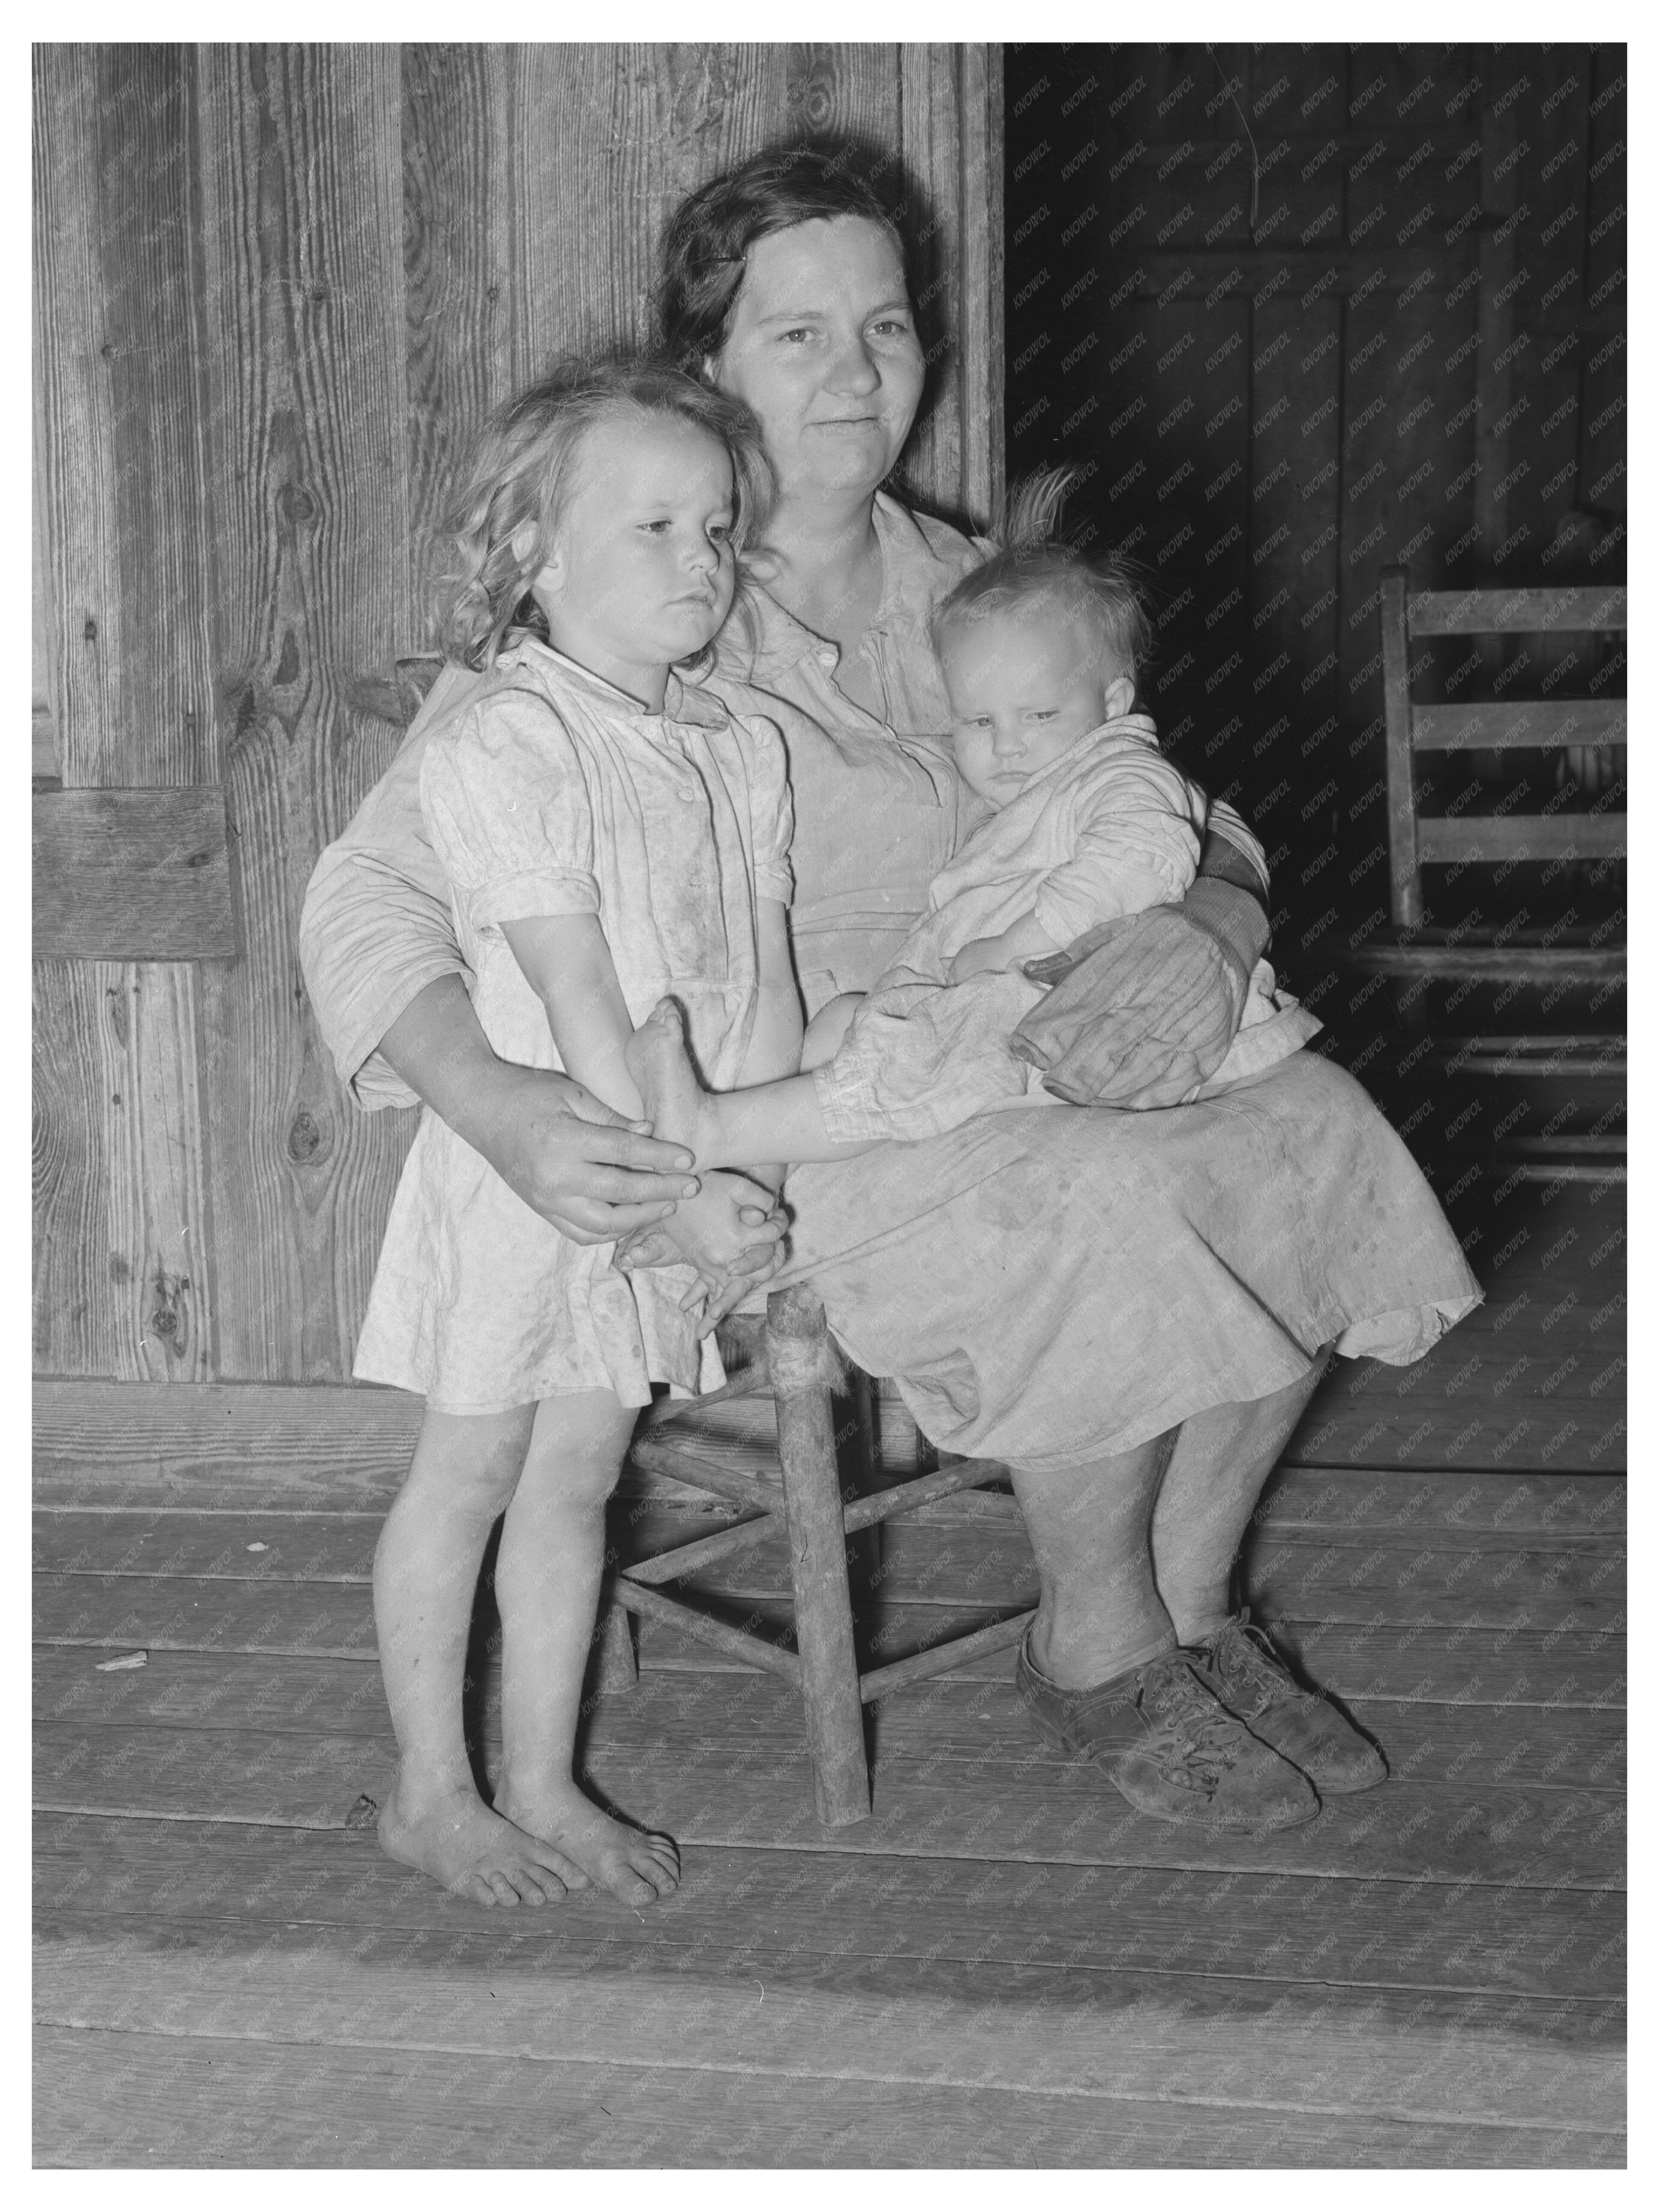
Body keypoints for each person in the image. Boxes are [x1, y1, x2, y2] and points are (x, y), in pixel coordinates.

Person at [301, 147, 1481, 1848]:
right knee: (1094, 1191)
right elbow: (367, 893)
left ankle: (1191, 1601)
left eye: (886, 326)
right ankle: (1096, 1644)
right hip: (793, 1100)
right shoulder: (636, 602)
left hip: (1005, 1030)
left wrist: (1216, 916)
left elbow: (1160, 788)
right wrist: (496, 1105)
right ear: (705, 369)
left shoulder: (972, 583)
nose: (855, 373)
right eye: (797, 335)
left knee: (1308, 1120)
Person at [350, 359, 799, 1909]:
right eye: (652, 526)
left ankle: (543, 1779)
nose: (700, 559)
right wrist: (674, 1195)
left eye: (717, 527)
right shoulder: (509, 743)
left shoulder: (738, 744)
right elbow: (581, 999)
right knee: (471, 1465)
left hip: (675, 1165)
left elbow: (762, 982)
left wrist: (749, 1170)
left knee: (577, 1475)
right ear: (533, 551)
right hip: (546, 1172)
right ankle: (430, 1789)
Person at [622, 468, 1331, 1161]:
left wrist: (1019, 942)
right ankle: (752, 1154)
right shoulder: (1041, 786)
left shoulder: (1119, 772)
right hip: (1000, 1001)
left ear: (1114, 704)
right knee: (846, 1027)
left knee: (916, 1060)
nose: (1007, 745)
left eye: (1040, 715)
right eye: (978, 722)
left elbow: (1144, 857)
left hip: (1079, 1014)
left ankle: (717, 1135)